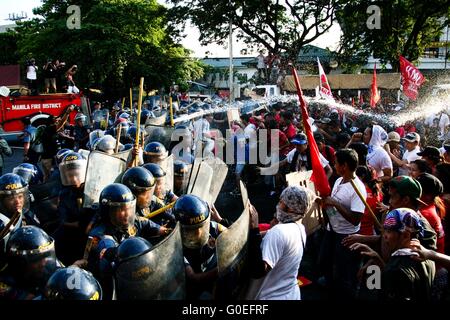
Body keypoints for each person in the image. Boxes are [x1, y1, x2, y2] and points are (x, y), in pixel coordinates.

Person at [350, 208, 435, 301]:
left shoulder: (396, 270)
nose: (384, 236)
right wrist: (378, 259)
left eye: (389, 231)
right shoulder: (428, 258)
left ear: (406, 235)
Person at [249, 186, 317, 300]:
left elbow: (258, 271)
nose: (278, 205)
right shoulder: (300, 228)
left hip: (272, 296)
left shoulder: (278, 232)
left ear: (291, 208)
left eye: (281, 202)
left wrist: (254, 229)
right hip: (291, 294)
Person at [318, 148, 366, 300]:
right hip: (331, 229)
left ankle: (346, 294)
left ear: (344, 166)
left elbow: (356, 219)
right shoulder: (339, 180)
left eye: (336, 163)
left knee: (344, 270)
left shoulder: (358, 189)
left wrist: (336, 204)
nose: (334, 165)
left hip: (346, 235)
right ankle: (330, 285)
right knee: (324, 260)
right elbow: (333, 203)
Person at [173, 194, 226, 299]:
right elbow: (194, 278)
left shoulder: (214, 228)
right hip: (195, 290)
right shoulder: (175, 248)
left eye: (201, 227)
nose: (198, 234)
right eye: (191, 231)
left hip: (214, 278)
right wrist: (223, 268)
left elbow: (233, 234)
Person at [0, 226, 59, 300]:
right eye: (36, 259)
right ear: (20, 263)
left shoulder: (47, 264)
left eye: (45, 255)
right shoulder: (5, 284)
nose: (43, 263)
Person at [121, 166, 174, 231]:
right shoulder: (123, 212)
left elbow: (170, 214)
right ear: (133, 193)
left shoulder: (153, 200)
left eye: (150, 192)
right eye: (145, 194)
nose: (149, 197)